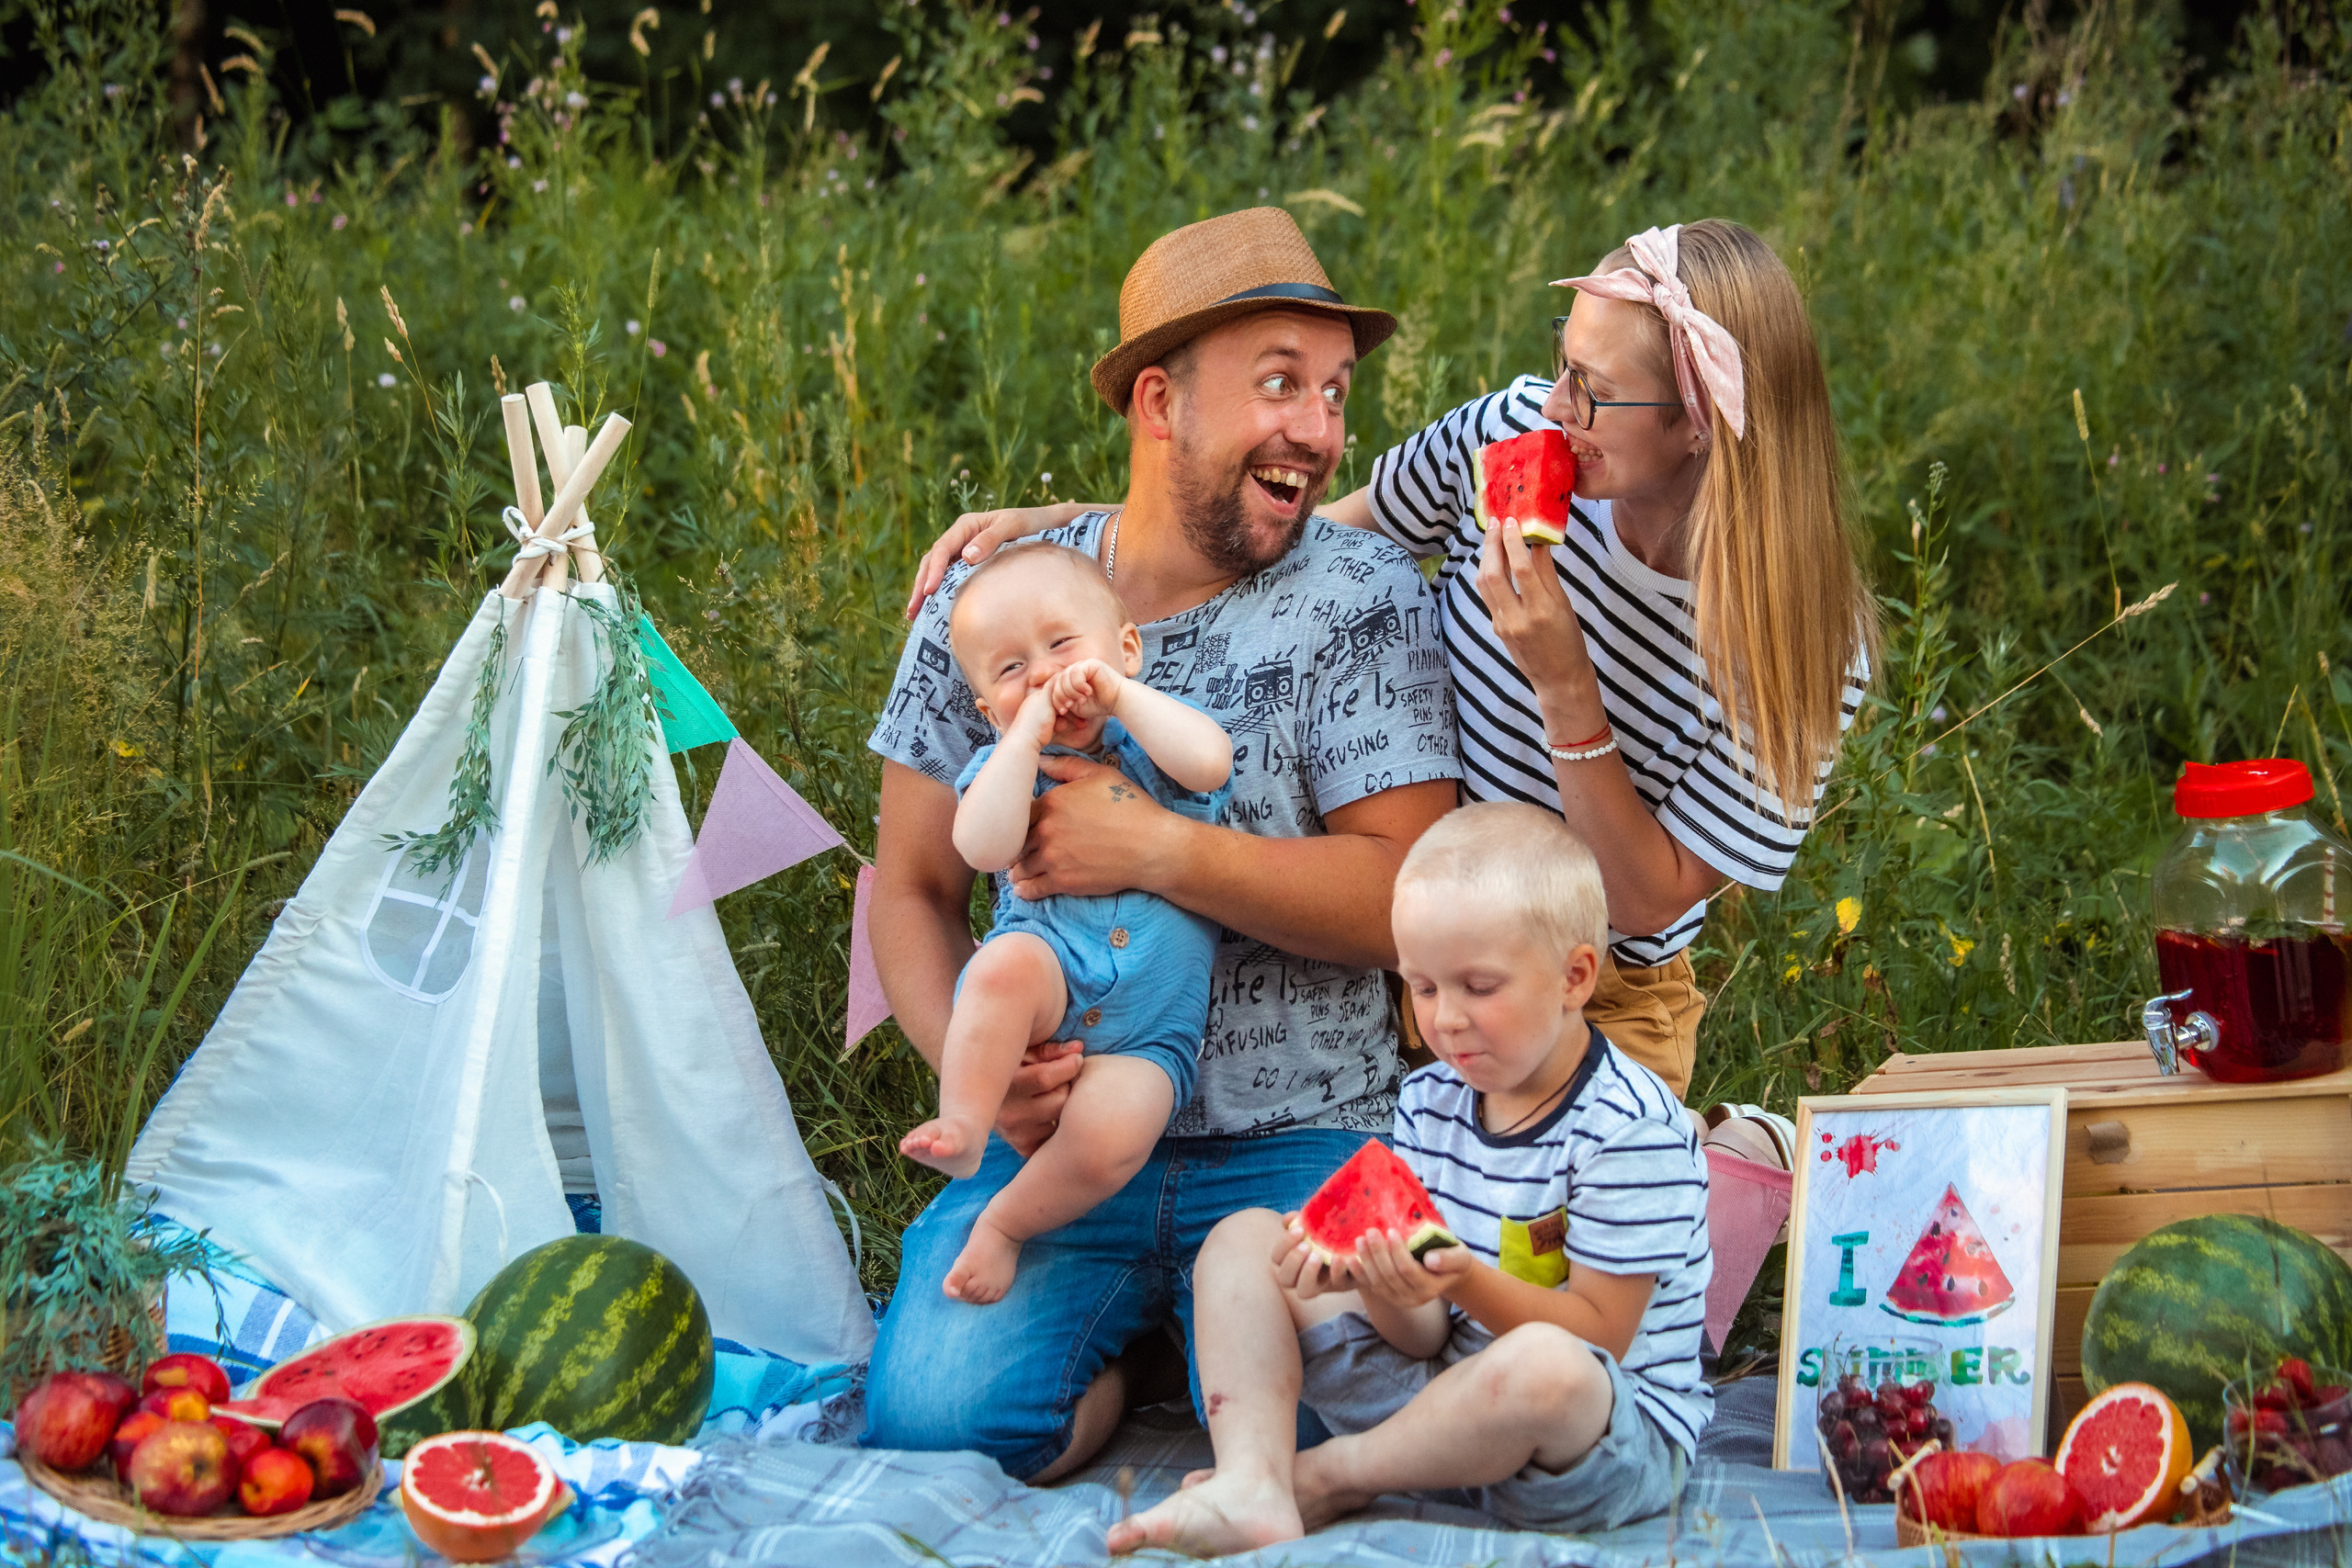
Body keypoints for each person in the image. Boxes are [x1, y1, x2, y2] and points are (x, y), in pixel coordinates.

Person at [908, 220, 1876, 1102]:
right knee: (1409, 1260)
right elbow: (1298, 537)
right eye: (1562, 361)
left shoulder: (1804, 646)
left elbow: (1637, 898)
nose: (1558, 405)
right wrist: (1081, 534)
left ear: (1698, 417)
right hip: (1414, 956)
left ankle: (1744, 1155)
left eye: (1597, 390)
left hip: (1594, 986)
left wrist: (1563, 684)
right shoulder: (1506, 432)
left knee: (1531, 1277)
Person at [864, 207, 1460, 1480]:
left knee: (1386, 1416)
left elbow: (1409, 896)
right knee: (935, 1423)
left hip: (1310, 1130)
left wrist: (1153, 849)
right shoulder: (994, 608)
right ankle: (1135, 1351)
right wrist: (983, 1076)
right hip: (1060, 1145)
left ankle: (1191, 1324)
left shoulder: (1366, 602)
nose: (1317, 428)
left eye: (1336, 391)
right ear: (1159, 402)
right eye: (1279, 384)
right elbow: (912, 884)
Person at [1109, 803, 1712, 1555]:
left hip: (1594, 1444)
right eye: (1423, 988)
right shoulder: (1431, 1099)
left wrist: (1459, 1281)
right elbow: (1423, 1333)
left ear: (1575, 976)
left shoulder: (1630, 1131)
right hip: (1439, 1407)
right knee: (1242, 1239)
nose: (1446, 1020)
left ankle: (1327, 1476)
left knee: (1545, 1367)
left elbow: (1600, 1340)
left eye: (1478, 986)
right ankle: (1253, 1479)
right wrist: (1386, 1280)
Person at [901, 544, 1235, 1305]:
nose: (1045, 675)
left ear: (1125, 647)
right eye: (1011, 670)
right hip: (1051, 969)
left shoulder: (1160, 741)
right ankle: (963, 1120)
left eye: (1061, 645)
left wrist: (1121, 696)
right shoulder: (1001, 768)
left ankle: (1007, 1224)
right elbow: (981, 844)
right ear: (986, 707)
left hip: (1152, 1032)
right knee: (995, 971)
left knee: (1112, 1137)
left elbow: (1211, 763)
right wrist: (1019, 741)